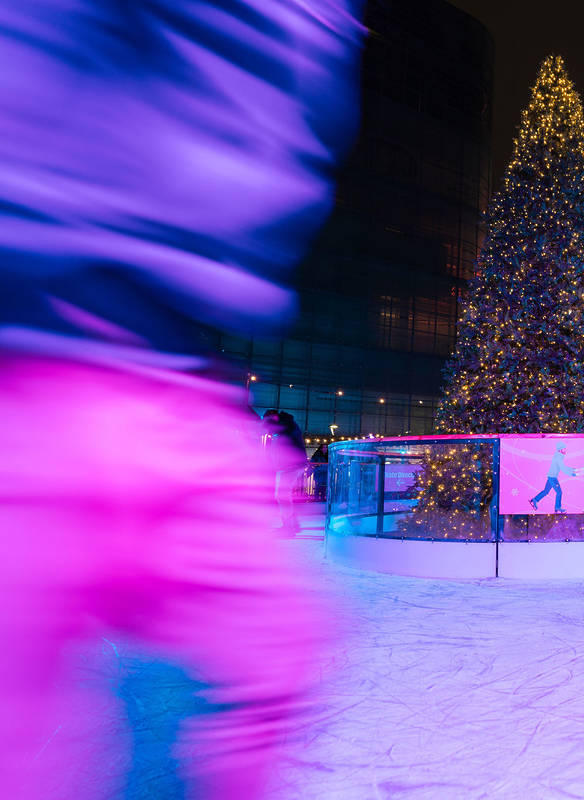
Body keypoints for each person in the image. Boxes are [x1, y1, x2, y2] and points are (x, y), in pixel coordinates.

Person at [0, 2, 362, 797]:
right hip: (33, 378)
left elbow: (264, 169)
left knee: (284, 644)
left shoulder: (309, 35)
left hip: (172, 390)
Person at [267, 411, 309, 536]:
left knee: (282, 496)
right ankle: (292, 525)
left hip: (291, 465)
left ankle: (289, 527)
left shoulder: (286, 424)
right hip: (288, 465)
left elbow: (285, 443)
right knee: (283, 496)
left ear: (274, 417)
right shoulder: (286, 425)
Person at [529, 444, 575, 513]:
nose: (565, 450)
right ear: (560, 449)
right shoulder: (559, 457)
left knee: (546, 491)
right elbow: (563, 468)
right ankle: (557, 507)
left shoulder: (558, 456)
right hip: (552, 477)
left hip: (551, 476)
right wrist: (571, 473)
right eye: (564, 448)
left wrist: (571, 470)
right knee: (559, 492)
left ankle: (535, 500)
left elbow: (563, 467)